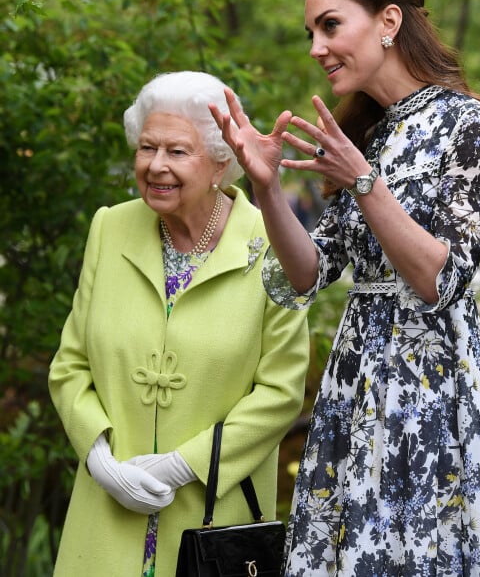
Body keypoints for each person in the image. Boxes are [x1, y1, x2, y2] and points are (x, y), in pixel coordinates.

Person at [209, 0, 480, 574]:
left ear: (389, 22)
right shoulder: (370, 133)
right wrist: (268, 187)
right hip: (356, 385)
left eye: (330, 26)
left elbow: (440, 278)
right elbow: (308, 272)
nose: (315, 48)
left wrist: (363, 180)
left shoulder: (467, 124)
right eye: (310, 32)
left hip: (428, 392)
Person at [48, 71, 309, 577]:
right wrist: (100, 459)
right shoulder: (110, 227)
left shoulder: (274, 244)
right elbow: (70, 364)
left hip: (212, 524)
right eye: (147, 148)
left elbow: (280, 392)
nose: (156, 166)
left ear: (219, 163)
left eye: (176, 152)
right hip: (108, 512)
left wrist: (180, 465)